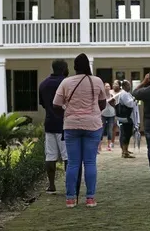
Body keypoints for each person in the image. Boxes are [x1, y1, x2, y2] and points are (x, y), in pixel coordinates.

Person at [53, 53, 106, 208]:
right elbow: (102, 103)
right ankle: (90, 198)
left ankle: (70, 198)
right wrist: (93, 111)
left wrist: (67, 114)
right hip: (93, 125)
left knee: (73, 163)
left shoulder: (66, 82)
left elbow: (56, 104)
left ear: (74, 67)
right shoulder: (97, 81)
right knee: (90, 162)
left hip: (71, 125)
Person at [39, 59, 69, 194]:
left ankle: (51, 185)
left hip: (50, 122)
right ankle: (70, 184)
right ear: (64, 69)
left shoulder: (43, 84)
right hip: (65, 124)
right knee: (68, 157)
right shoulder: (67, 83)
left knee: (50, 156)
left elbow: (44, 104)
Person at [116, 80, 140, 158]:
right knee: (126, 134)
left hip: (129, 117)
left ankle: (125, 150)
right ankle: (124, 152)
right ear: (124, 86)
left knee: (128, 134)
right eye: (128, 85)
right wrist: (134, 99)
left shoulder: (127, 93)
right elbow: (129, 104)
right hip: (126, 117)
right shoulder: (124, 94)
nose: (130, 87)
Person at [100, 83, 116, 153]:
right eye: (106, 86)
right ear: (104, 87)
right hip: (103, 114)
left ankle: (109, 146)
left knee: (110, 130)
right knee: (102, 130)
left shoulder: (112, 95)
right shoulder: (102, 95)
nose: (107, 87)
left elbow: (115, 104)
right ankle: (99, 146)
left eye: (108, 86)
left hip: (111, 114)